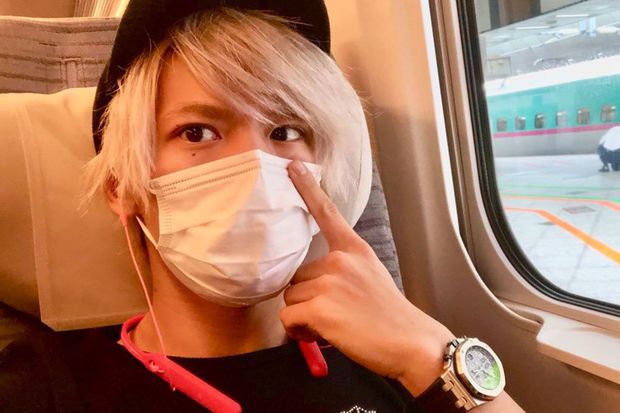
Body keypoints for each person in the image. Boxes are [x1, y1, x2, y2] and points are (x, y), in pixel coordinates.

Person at [0, 1, 524, 412]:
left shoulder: (394, 351)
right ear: (122, 188)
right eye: (197, 132)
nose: (253, 164)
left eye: (286, 131)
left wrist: (430, 354)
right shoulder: (46, 386)